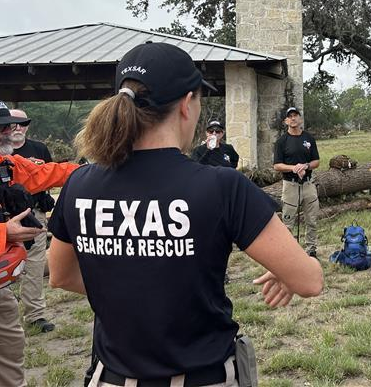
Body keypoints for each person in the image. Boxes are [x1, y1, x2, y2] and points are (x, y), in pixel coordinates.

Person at [47, 42, 323, 387]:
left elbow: (59, 274)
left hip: (111, 378)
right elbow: (309, 281)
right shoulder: (222, 187)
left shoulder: (79, 184)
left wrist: (130, 289)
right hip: (202, 377)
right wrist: (288, 269)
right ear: (186, 104)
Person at [0, 99, 78, 387]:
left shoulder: (3, 163)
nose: (8, 131)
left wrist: (92, 171)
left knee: (9, 356)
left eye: (10, 125)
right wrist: (3, 233)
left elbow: (45, 173)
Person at [9, 109, 58, 334]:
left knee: (35, 264)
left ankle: (35, 314)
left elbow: (50, 174)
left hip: (33, 214)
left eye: (22, 123)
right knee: (2, 266)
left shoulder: (39, 148)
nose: (18, 128)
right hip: (3, 217)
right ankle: (4, 316)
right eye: (13, 123)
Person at [273, 107, 321, 258]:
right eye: (290, 117)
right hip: (290, 185)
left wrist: (306, 166)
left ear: (300, 119)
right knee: (288, 222)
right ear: (285, 121)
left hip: (308, 184)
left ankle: (311, 250)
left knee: (311, 219)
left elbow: (316, 161)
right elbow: (277, 165)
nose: (293, 118)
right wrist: (293, 168)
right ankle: (289, 253)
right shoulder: (281, 141)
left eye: (295, 116)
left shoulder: (308, 138)